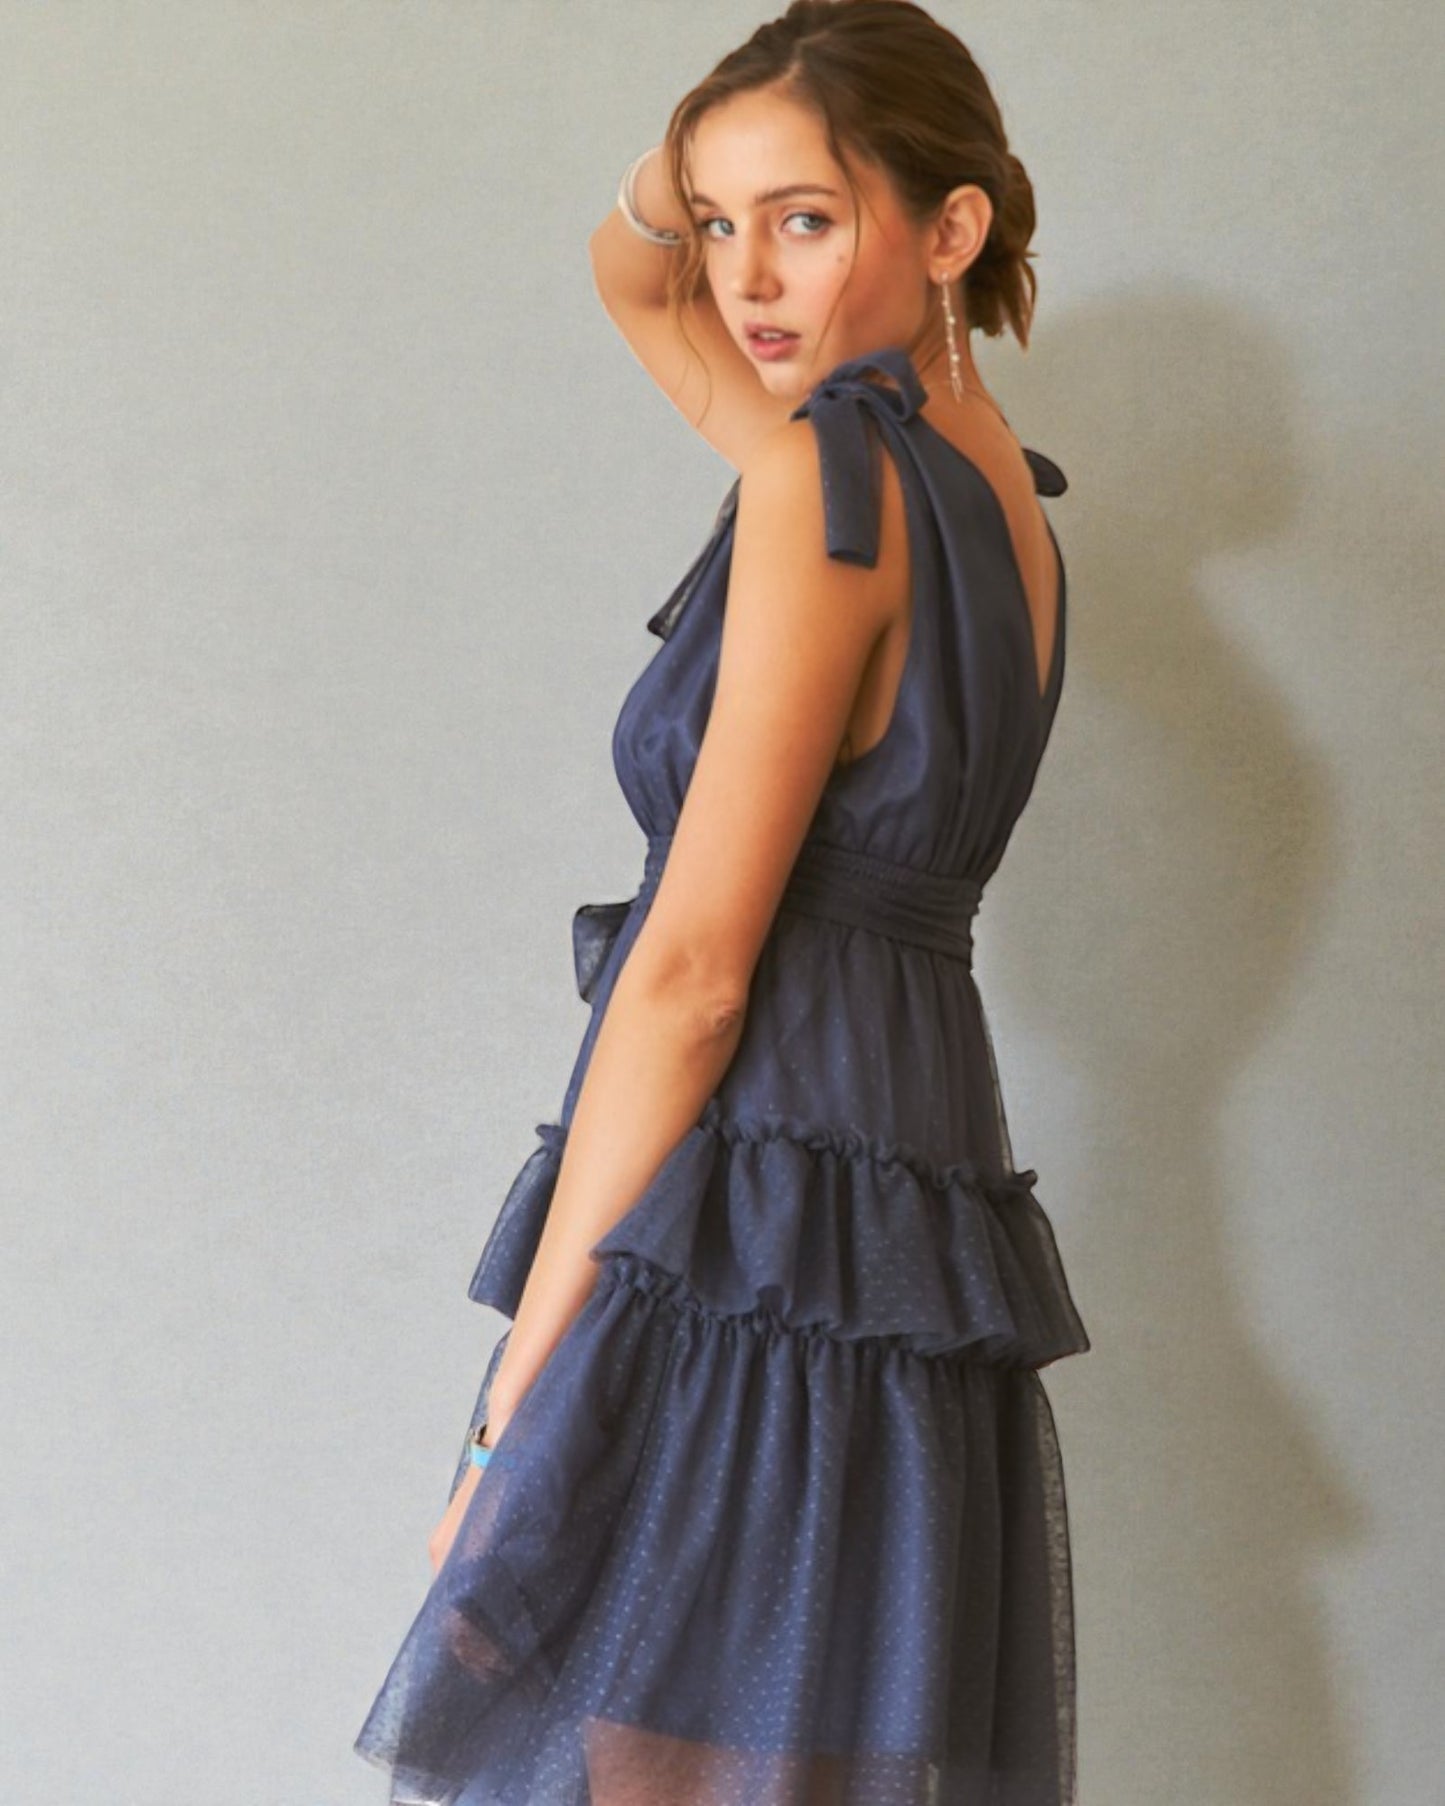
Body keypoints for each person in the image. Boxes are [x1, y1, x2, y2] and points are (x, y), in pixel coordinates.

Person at [354, 3, 1091, 1801]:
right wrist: (717, 149)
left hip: (750, 1203)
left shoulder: (824, 479)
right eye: (721, 221)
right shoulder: (1000, 495)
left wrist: (516, 1401)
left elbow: (689, 973)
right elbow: (635, 273)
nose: (743, 277)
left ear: (951, 225)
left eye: (805, 220)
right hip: (905, 1205)